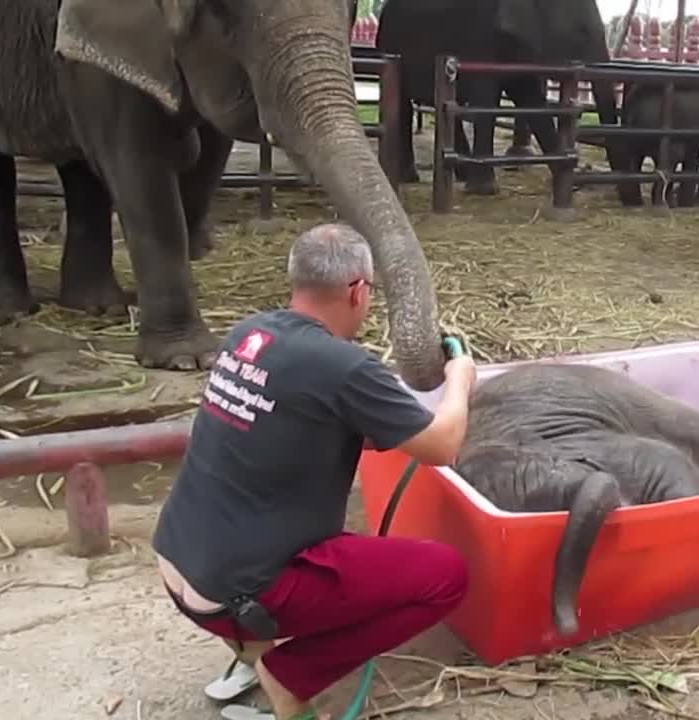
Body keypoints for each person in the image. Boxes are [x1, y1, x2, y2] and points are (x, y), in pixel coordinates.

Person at [152, 223, 478, 720]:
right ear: (357, 291)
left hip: (178, 564)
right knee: (446, 575)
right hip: (236, 595)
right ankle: (288, 674)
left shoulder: (249, 334)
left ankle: (250, 654)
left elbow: (311, 419)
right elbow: (443, 445)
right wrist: (460, 381)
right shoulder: (344, 366)